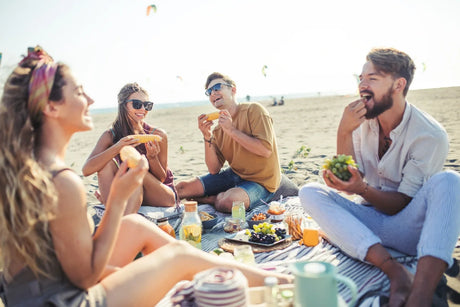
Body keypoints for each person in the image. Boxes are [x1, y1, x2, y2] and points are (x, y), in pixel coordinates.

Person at [0, 47, 292, 307]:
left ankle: (246, 275)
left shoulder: (28, 166)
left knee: (135, 224)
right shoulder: (64, 182)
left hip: (33, 291)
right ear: (51, 107)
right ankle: (281, 284)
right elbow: (85, 276)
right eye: (79, 92)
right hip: (62, 300)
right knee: (178, 257)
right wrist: (116, 200)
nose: (89, 99)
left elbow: (63, 261)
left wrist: (126, 273)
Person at [299, 48, 460, 307]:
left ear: (398, 84)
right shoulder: (364, 121)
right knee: (308, 191)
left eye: (372, 78)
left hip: (409, 230)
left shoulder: (429, 135)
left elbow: (401, 203)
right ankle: (396, 272)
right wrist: (344, 131)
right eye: (360, 78)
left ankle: (420, 297)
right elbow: (351, 179)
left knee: (450, 181)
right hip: (368, 222)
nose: (362, 85)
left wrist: (362, 188)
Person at [175, 72, 281, 213]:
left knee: (229, 202)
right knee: (181, 188)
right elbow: (214, 169)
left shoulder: (254, 110)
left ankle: (212, 199)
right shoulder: (218, 130)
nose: (213, 93)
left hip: (262, 182)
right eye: (209, 91)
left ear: (233, 89)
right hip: (235, 175)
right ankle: (219, 195)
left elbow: (265, 150)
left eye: (217, 87)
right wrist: (207, 136)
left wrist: (231, 130)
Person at [82, 82, 176, 214]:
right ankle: (114, 212)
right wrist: (118, 146)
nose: (143, 109)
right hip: (132, 191)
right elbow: (87, 170)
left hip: (162, 195)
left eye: (147, 105)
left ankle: (118, 215)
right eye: (137, 104)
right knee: (105, 164)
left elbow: (161, 178)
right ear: (123, 105)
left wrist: (152, 158)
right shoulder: (110, 135)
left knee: (136, 172)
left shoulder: (158, 135)